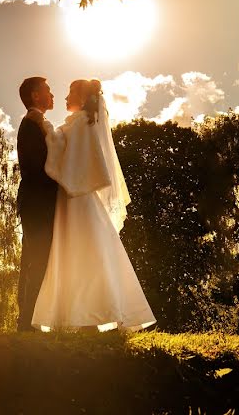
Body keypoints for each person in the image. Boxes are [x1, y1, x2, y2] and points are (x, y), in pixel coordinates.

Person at [32, 79, 156, 331]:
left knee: (83, 254)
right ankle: (84, 316)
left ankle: (90, 316)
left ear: (82, 97)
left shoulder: (81, 124)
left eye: (70, 93)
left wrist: (44, 125)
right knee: (86, 254)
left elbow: (64, 156)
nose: (66, 98)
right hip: (77, 196)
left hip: (76, 198)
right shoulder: (84, 123)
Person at [15, 76, 59, 332]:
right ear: (35, 95)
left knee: (35, 258)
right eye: (48, 90)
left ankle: (28, 319)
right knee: (37, 259)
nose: (52, 94)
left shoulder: (38, 122)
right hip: (37, 202)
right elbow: (33, 168)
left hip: (39, 201)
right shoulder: (31, 123)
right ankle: (27, 321)